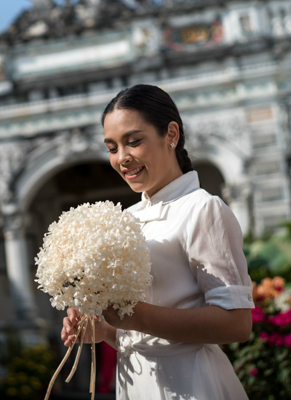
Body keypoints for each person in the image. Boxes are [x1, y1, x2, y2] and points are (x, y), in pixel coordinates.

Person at [61, 84, 254, 400]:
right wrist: (106, 331)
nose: (122, 158)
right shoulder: (127, 218)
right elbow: (142, 332)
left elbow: (236, 323)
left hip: (190, 384)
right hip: (135, 382)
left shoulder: (202, 208)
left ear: (171, 135)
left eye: (133, 142)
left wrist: (134, 315)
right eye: (112, 148)